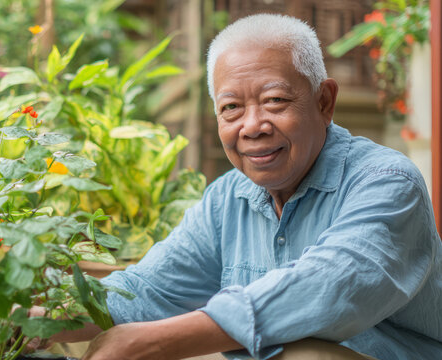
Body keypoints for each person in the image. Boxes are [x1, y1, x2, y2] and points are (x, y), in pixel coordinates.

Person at [51, 13, 442, 360]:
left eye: (274, 100)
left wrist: (155, 343)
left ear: (324, 101)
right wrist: (37, 316)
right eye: (231, 108)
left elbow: (328, 288)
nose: (252, 126)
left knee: (300, 353)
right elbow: (148, 290)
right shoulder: (226, 199)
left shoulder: (387, 181)